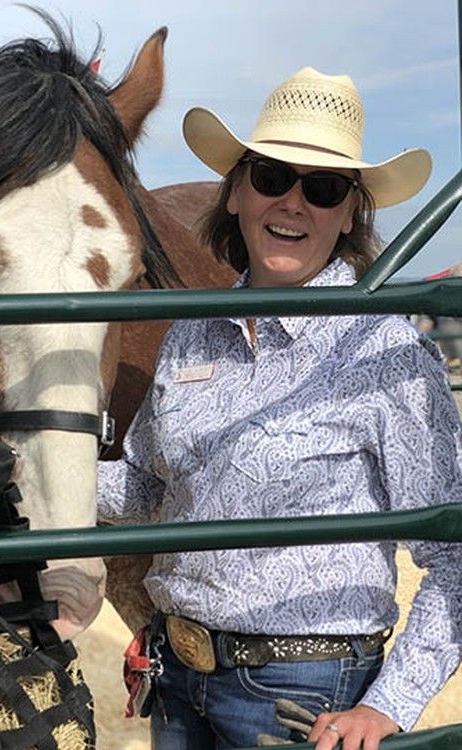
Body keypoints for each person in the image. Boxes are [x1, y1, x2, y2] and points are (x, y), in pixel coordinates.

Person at [98, 67, 462, 750]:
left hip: (305, 690)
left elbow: (455, 555)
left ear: (350, 213)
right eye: (271, 176)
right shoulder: (189, 335)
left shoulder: (386, 353)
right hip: (178, 679)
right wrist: (22, 468)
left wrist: (389, 706)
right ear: (236, 192)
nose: (292, 202)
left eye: (322, 189)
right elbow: (147, 489)